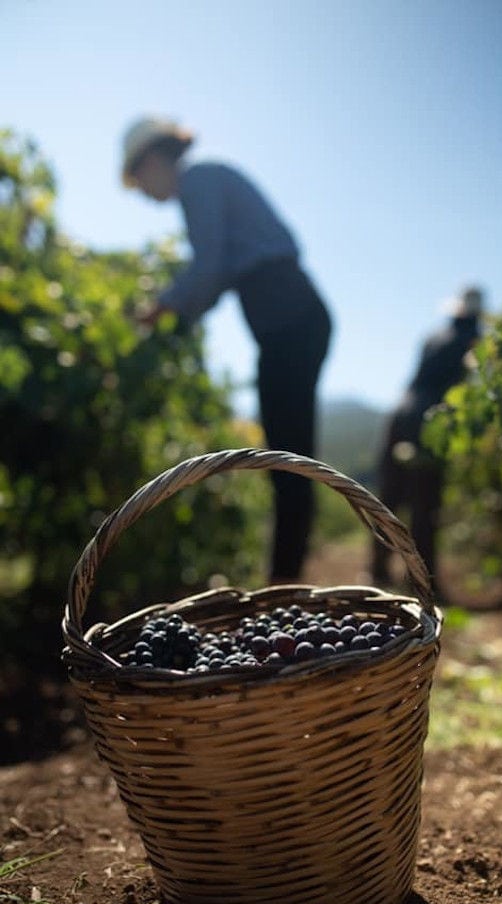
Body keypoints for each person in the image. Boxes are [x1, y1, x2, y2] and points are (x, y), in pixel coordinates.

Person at [120, 116, 332, 585]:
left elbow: (209, 266)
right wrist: (182, 313)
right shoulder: (208, 179)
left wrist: (161, 309)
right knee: (288, 455)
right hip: (293, 315)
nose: (144, 194)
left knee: (288, 459)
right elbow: (215, 278)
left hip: (288, 316)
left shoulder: (198, 181)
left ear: (152, 162)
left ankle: (285, 590)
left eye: (139, 182)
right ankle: (286, 584)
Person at [372, 286, 484, 597]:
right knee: (425, 503)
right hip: (429, 419)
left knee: (388, 498)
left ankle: (379, 571)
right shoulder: (470, 340)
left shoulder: (434, 337)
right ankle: (423, 582)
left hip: (399, 412)